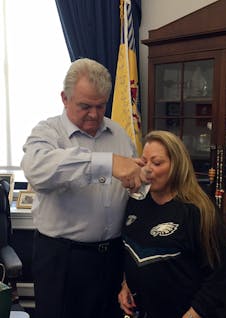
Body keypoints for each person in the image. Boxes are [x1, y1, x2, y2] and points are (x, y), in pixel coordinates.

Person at [21, 58, 144, 318]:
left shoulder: (119, 134)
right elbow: (37, 171)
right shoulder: (48, 132)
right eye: (85, 106)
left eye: (101, 106)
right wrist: (107, 163)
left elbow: (134, 187)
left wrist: (137, 181)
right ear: (65, 98)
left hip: (111, 257)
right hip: (62, 259)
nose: (94, 114)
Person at [118, 130, 226, 318]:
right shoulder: (135, 201)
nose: (147, 169)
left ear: (176, 166)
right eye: (144, 162)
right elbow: (131, 251)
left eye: (156, 163)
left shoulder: (198, 210)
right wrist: (126, 285)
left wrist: (193, 314)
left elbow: (219, 276)